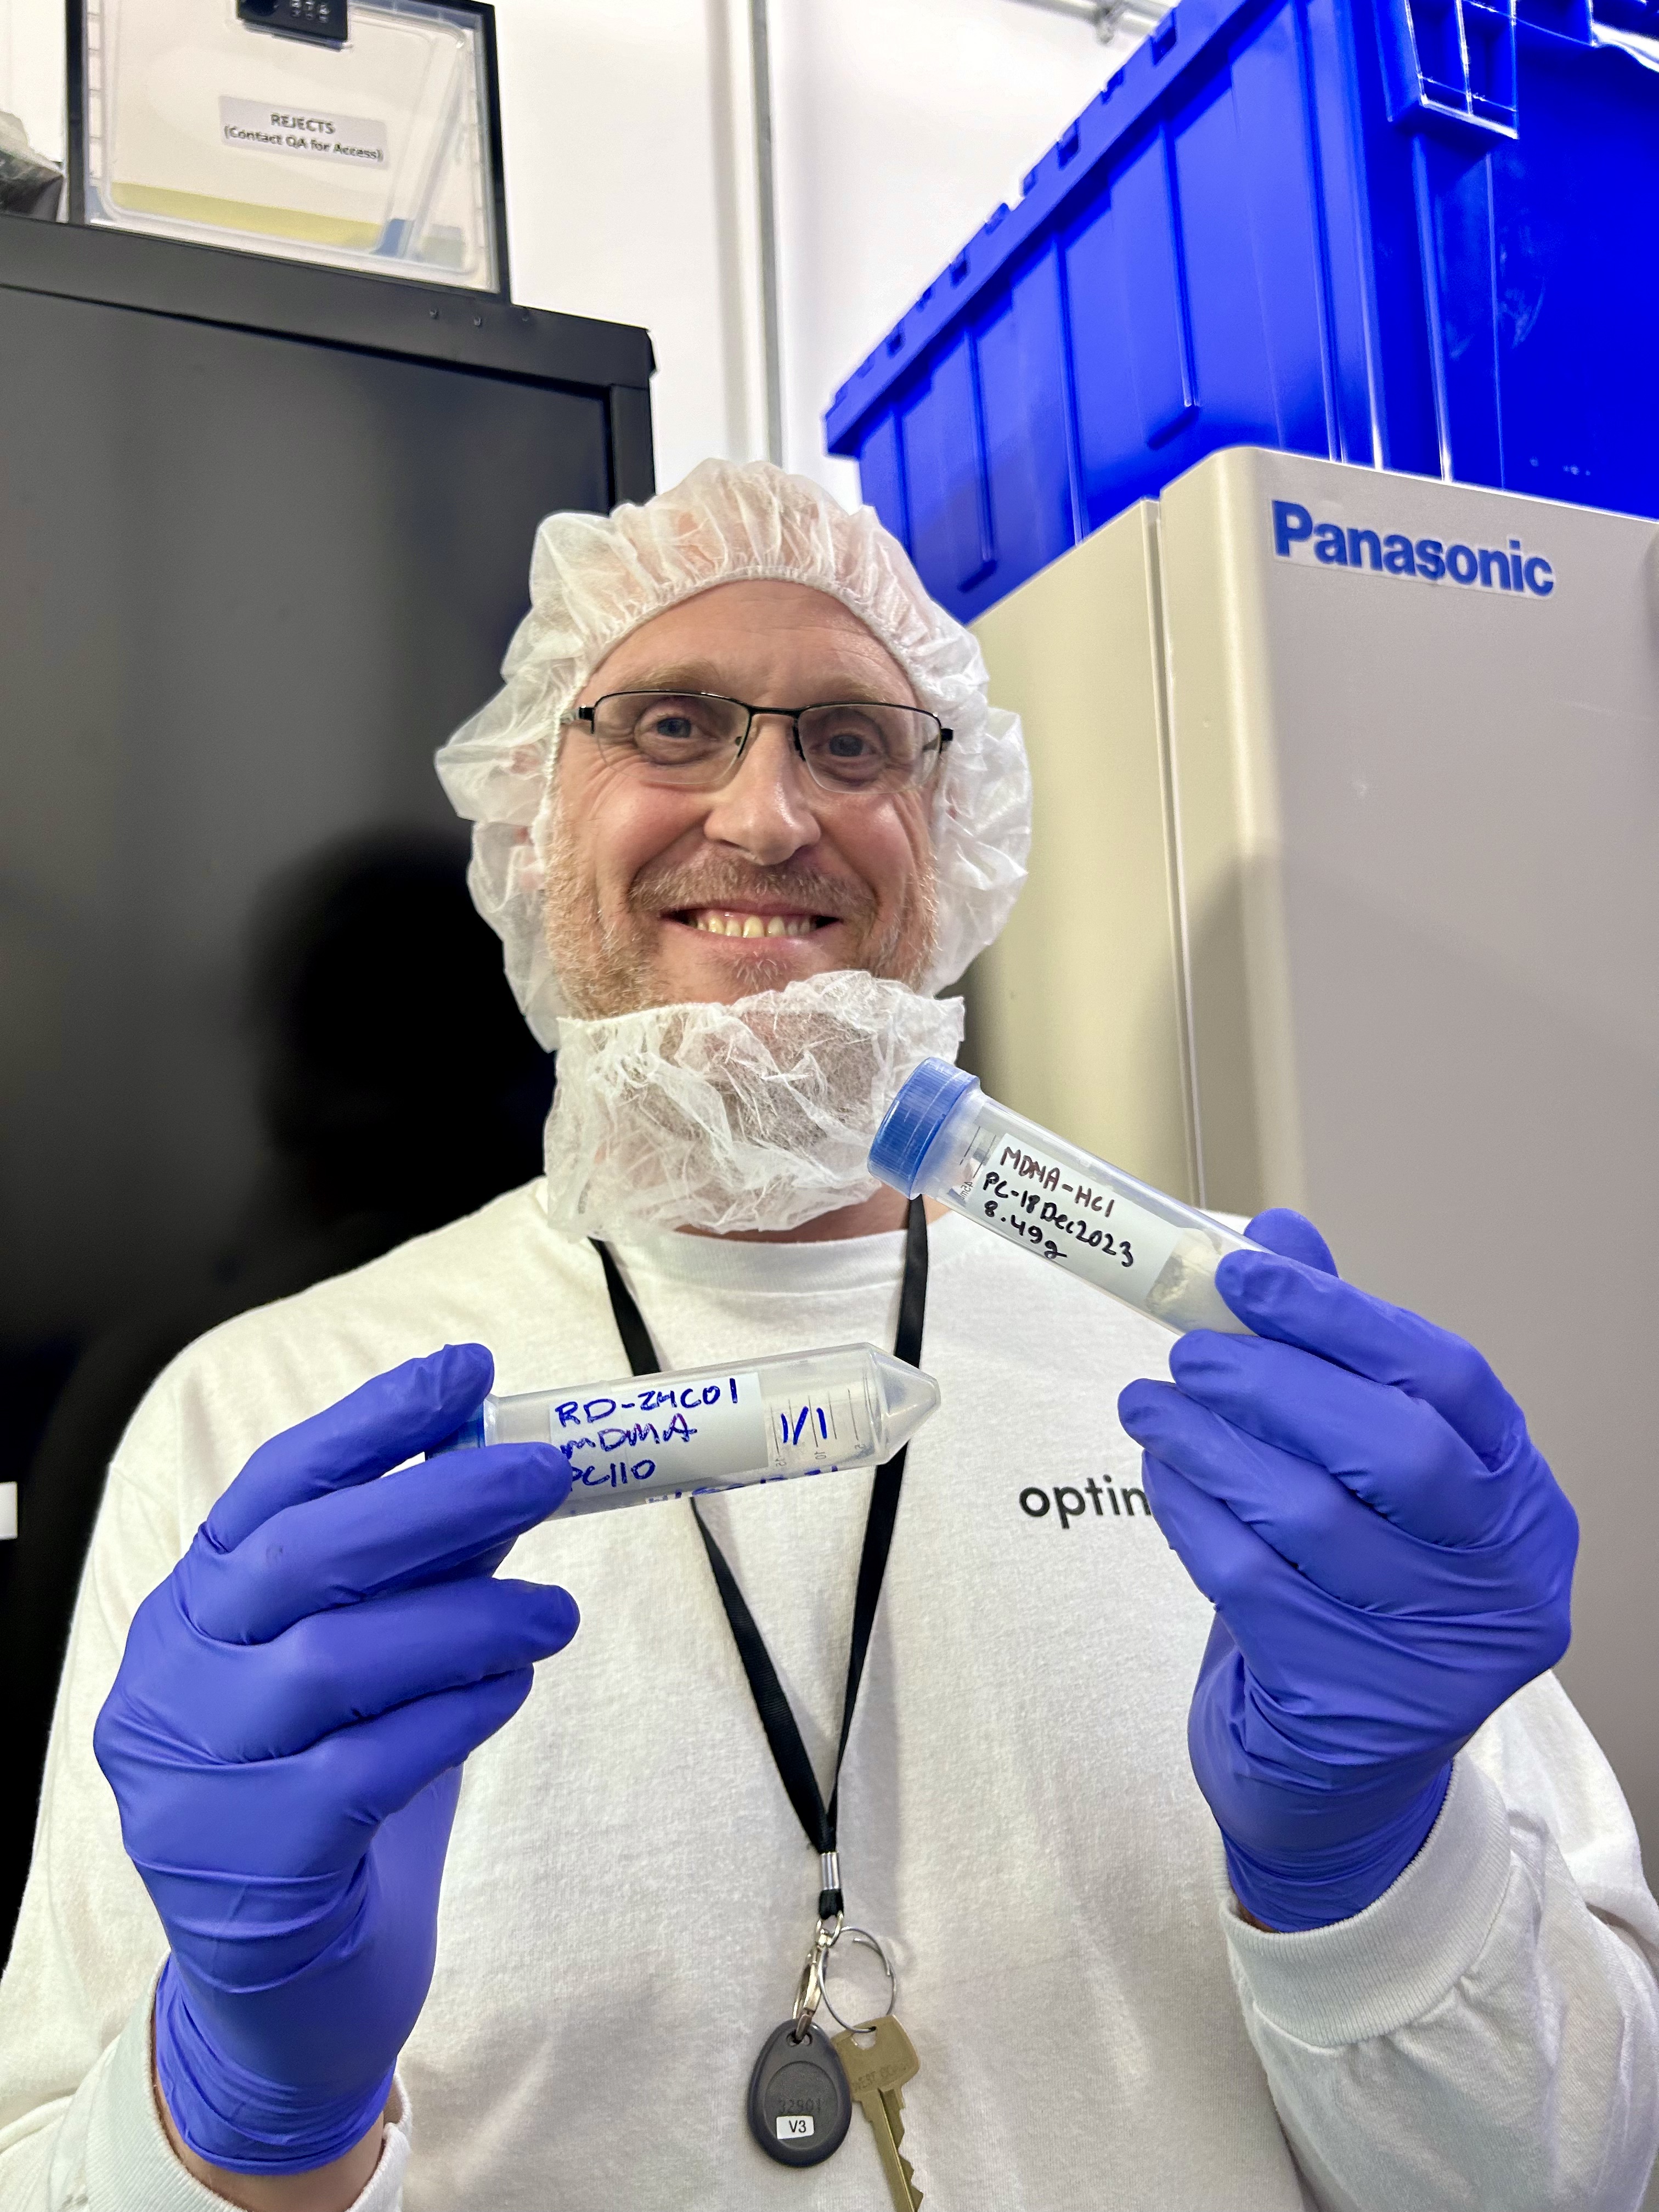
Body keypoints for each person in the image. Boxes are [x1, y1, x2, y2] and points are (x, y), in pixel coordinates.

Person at [0, 460, 1654, 2212]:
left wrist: (1380, 1875)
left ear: (955, 836)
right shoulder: (264, 1411)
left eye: (854, 742)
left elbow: (1576, 2175)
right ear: (530, 817)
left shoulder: (1239, 1359)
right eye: (673, 724)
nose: (771, 814)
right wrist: (249, 2107)